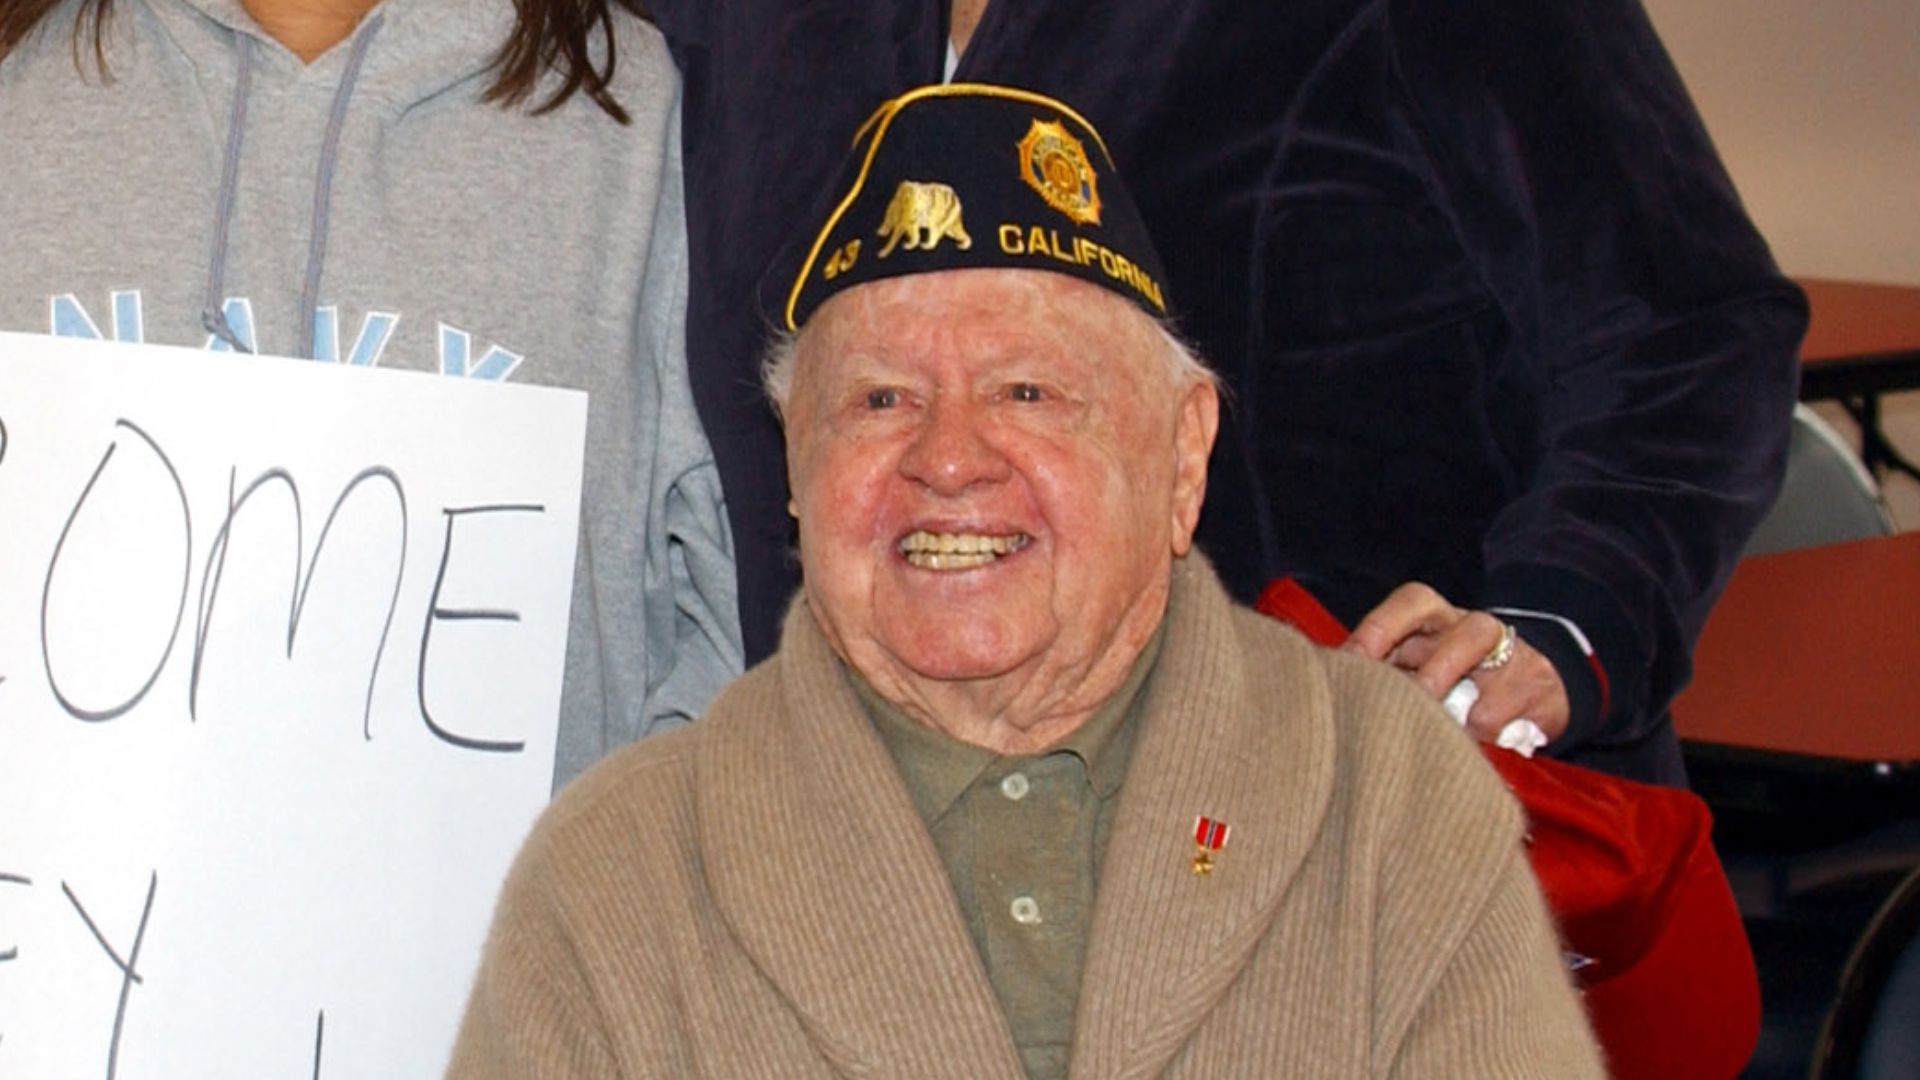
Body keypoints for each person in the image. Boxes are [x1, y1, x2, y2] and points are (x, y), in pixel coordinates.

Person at [447, 86, 1603, 1078]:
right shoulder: (616, 875)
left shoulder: (1389, 803)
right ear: (794, 466)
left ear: (1183, 454)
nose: (948, 458)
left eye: (1029, 394)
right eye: (879, 400)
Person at [646, 0, 1806, 786]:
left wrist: (1570, 617)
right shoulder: (720, 24)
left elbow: (1685, 325)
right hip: (869, 870)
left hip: (1335, 854)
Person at [0, 0, 742, 788]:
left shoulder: (656, 120)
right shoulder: (20, 91)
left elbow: (746, 657)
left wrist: (613, 888)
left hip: (542, 907)